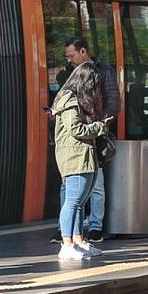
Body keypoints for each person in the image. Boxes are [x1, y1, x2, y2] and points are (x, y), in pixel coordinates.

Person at [52, 37, 119, 244]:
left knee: (91, 187)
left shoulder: (102, 72)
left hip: (92, 137)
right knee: (74, 195)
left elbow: (113, 101)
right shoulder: (70, 86)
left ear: (83, 52)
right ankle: (70, 234)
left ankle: (91, 229)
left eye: (71, 56)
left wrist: (100, 122)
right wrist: (96, 125)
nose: (69, 60)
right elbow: (74, 125)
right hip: (80, 141)